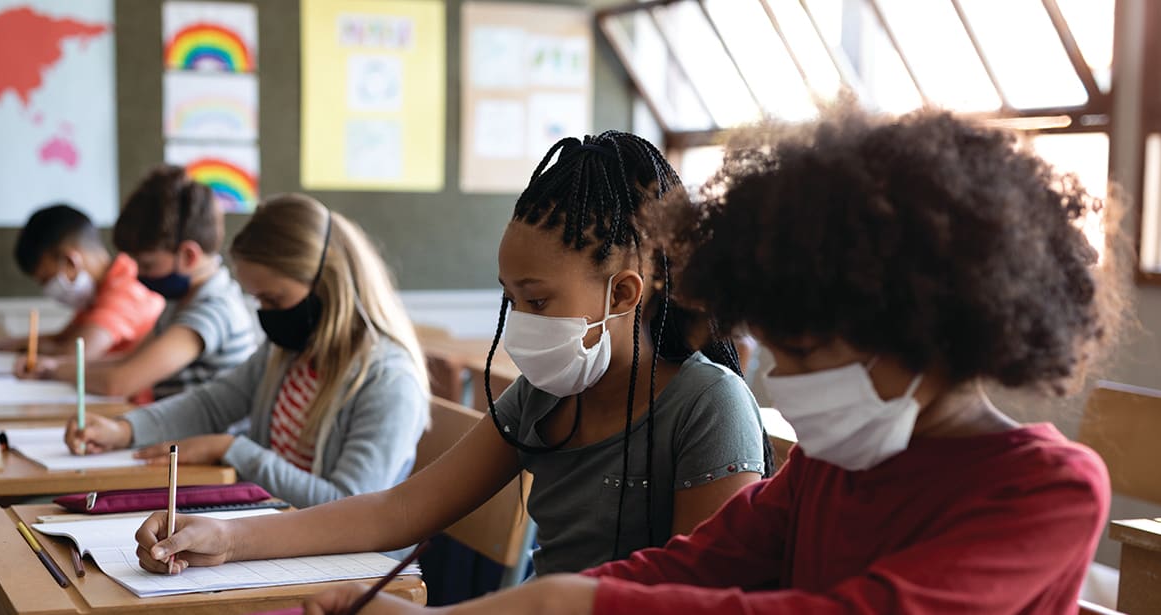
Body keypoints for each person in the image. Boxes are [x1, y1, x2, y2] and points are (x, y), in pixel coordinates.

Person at [293, 108, 1123, 614]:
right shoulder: (827, 468)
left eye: (802, 352)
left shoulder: (1048, 489)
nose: (780, 381)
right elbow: (687, 568)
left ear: (918, 332)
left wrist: (557, 600)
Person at [132, 131, 772, 577]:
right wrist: (226, 537)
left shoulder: (706, 405)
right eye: (511, 300)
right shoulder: (544, 395)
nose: (521, 323)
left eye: (538, 301)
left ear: (624, 294)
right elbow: (400, 509)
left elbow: (694, 594)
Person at [65, 195, 430, 509]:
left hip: (344, 556)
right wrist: (124, 430)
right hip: (274, 528)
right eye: (259, 300)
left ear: (327, 284)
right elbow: (212, 403)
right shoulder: (289, 352)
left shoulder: (389, 381)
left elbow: (349, 506)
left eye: (274, 299)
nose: (265, 313)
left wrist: (232, 449)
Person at [20, 165, 258, 399]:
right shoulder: (182, 300)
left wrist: (55, 371)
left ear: (188, 256)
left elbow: (119, 383)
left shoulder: (212, 310)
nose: (138, 275)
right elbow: (128, 360)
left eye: (147, 265)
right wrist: (54, 367)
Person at [0, 203, 163, 358]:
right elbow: (64, 338)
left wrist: (27, 347)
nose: (46, 289)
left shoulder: (128, 290)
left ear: (70, 261)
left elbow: (76, 356)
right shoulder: (97, 292)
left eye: (47, 279)